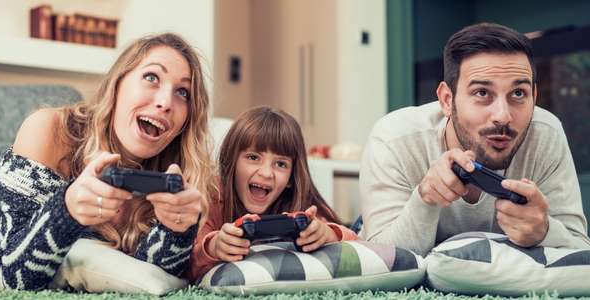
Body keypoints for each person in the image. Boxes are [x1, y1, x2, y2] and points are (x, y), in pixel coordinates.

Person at [0, 33, 216, 290]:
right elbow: (14, 276)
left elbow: (153, 284)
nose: (166, 103)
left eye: (183, 92)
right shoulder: (49, 130)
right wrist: (66, 210)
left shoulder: (182, 174)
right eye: (152, 77)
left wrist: (176, 230)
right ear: (117, 83)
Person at [359, 22, 590, 256]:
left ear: (534, 96)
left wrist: (544, 231)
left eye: (518, 93)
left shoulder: (546, 134)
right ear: (447, 100)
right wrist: (425, 199)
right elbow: (383, 260)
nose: (503, 116)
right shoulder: (395, 138)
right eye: (482, 93)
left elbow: (581, 250)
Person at [188, 106, 357, 281]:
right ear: (231, 162)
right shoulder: (213, 195)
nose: (267, 173)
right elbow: (187, 265)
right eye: (253, 157)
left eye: (280, 164)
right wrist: (213, 247)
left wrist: (328, 234)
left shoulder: (299, 203)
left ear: (291, 177)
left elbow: (357, 245)